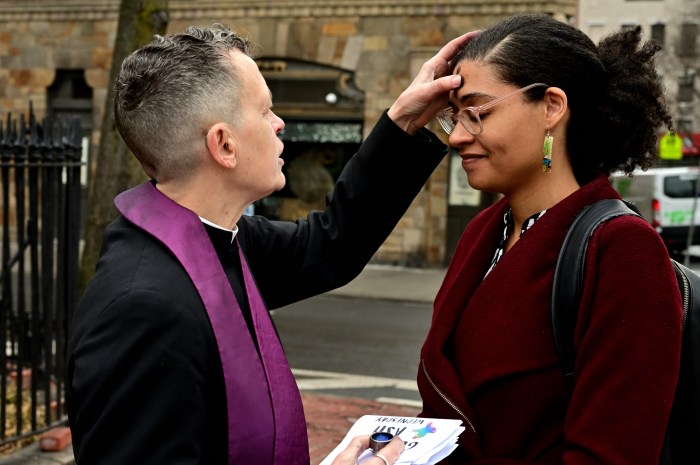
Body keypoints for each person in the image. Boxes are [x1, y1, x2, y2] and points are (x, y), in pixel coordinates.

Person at [66, 23, 474, 465]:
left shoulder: (221, 238)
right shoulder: (142, 310)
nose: (281, 124)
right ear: (224, 145)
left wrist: (406, 122)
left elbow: (331, 246)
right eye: (265, 110)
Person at [418, 13, 683, 464]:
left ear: (552, 106)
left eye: (478, 112)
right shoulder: (484, 232)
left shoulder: (620, 249)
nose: (459, 136)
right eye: (453, 117)